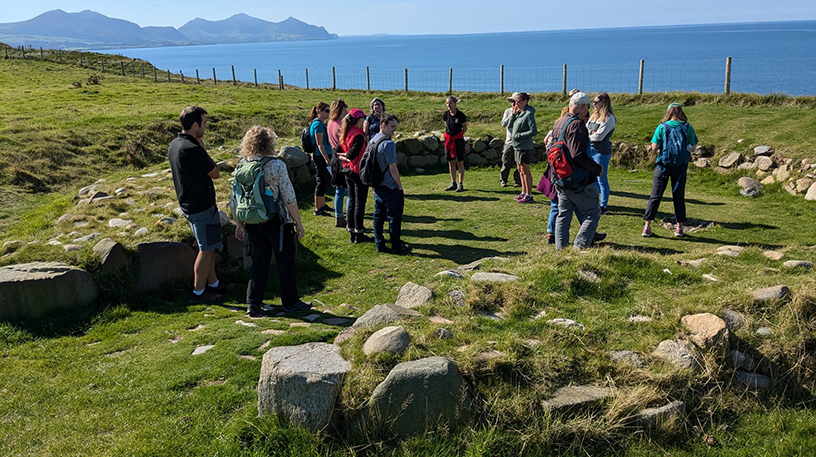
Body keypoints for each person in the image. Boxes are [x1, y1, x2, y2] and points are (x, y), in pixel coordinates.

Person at [231, 126, 310, 316]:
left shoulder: (242, 165)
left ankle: (253, 304)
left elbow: (235, 198)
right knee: (286, 260)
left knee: (258, 261)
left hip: (251, 220)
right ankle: (291, 302)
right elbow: (289, 197)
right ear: (269, 142)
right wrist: (298, 222)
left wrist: (239, 223)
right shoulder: (276, 166)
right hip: (277, 220)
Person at [167, 106, 227, 304]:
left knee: (208, 245)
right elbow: (215, 173)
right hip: (202, 207)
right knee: (206, 249)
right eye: (204, 123)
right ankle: (198, 293)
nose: (206, 127)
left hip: (189, 204)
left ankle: (214, 284)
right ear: (194, 125)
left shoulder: (175, 144)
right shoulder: (193, 149)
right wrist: (203, 151)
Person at [553, 92, 604, 250]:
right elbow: (578, 154)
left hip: (560, 177)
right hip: (576, 178)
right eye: (587, 107)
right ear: (581, 107)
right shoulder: (576, 125)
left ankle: (560, 251)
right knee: (592, 213)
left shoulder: (560, 122)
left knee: (563, 214)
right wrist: (597, 169)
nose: (588, 111)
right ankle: (578, 248)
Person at [642, 103, 698, 237]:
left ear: (669, 113)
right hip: (680, 166)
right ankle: (679, 228)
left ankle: (647, 227)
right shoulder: (687, 127)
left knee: (655, 196)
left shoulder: (662, 127)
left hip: (663, 165)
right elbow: (694, 147)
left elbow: (654, 147)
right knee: (678, 196)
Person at [371, 114, 411, 255]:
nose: (394, 130)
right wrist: (399, 186)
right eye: (392, 127)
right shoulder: (388, 144)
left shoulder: (373, 140)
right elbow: (393, 168)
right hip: (389, 186)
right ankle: (395, 245)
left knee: (378, 216)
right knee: (394, 217)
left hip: (377, 185)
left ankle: (379, 243)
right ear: (383, 125)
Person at [338, 109, 373, 243]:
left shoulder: (346, 133)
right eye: (363, 119)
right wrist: (344, 157)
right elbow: (351, 154)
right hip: (357, 172)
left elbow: (339, 150)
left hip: (348, 171)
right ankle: (358, 232)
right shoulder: (357, 135)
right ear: (359, 120)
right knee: (359, 202)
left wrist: (341, 157)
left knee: (352, 200)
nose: (364, 121)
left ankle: (352, 230)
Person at [308, 102, 340, 218]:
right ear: (319, 111)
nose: (328, 113)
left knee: (324, 180)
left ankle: (322, 204)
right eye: (326, 111)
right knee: (321, 181)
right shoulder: (318, 125)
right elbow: (319, 144)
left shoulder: (320, 124)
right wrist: (327, 158)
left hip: (323, 155)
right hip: (320, 156)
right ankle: (318, 208)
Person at [587, 92, 616, 215]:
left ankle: (604, 205)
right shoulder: (594, 116)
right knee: (592, 178)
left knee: (601, 178)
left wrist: (591, 134)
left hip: (601, 151)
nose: (593, 104)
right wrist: (591, 134)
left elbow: (599, 136)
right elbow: (586, 128)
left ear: (603, 103)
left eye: (596, 102)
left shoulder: (609, 118)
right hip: (591, 149)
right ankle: (594, 203)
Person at [507, 92, 538, 203]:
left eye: (518, 101)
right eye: (515, 102)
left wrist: (519, 135)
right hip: (517, 146)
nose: (516, 104)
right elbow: (509, 125)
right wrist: (514, 114)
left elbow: (533, 131)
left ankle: (529, 194)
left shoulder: (528, 114)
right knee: (520, 170)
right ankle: (523, 192)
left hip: (525, 147)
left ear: (525, 101)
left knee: (525, 170)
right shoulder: (519, 113)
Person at [327, 99, 349, 228]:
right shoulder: (342, 123)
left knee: (339, 190)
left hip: (334, 155)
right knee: (348, 190)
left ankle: (338, 216)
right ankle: (348, 217)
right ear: (342, 109)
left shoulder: (330, 122)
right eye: (345, 107)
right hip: (343, 156)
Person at [443, 96, 467, 192]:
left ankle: (460, 184)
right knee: (451, 162)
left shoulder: (461, 115)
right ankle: (453, 182)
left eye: (450, 103)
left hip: (458, 141)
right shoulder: (446, 114)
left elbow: (464, 128)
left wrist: (458, 136)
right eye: (447, 103)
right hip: (449, 141)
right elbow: (446, 125)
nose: (448, 105)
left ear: (455, 103)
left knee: (460, 162)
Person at [499, 99, 522, 187]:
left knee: (519, 163)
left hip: (519, 142)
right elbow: (503, 124)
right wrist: (512, 115)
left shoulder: (523, 113)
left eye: (515, 102)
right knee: (506, 161)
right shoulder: (508, 111)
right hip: (509, 142)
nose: (513, 104)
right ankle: (503, 180)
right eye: (512, 102)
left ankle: (518, 180)